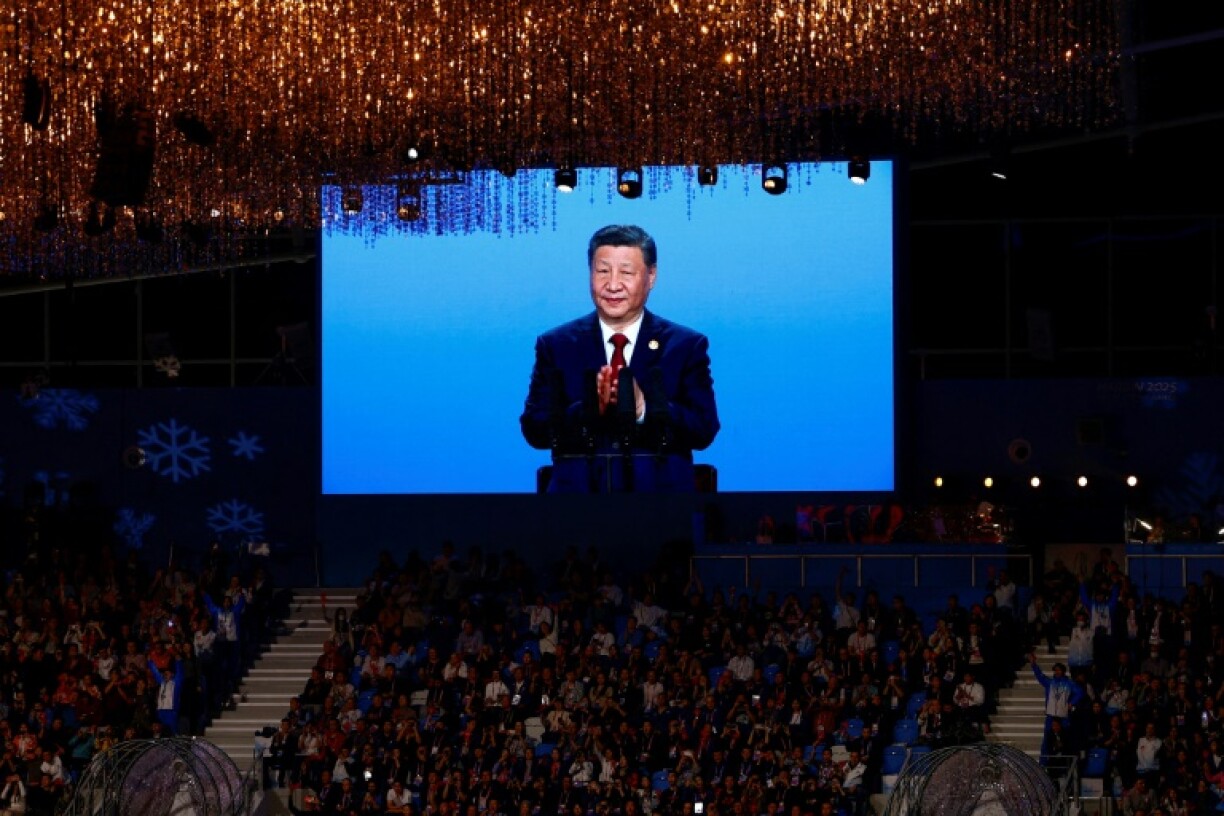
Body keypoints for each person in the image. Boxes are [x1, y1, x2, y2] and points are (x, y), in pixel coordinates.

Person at [520, 224, 720, 492]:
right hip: (576, 506)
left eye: (626, 273)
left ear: (651, 276)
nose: (612, 285)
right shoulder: (557, 345)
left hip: (661, 505)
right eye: (602, 271)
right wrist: (589, 409)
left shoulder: (685, 346)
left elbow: (703, 429)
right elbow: (535, 430)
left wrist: (644, 410)